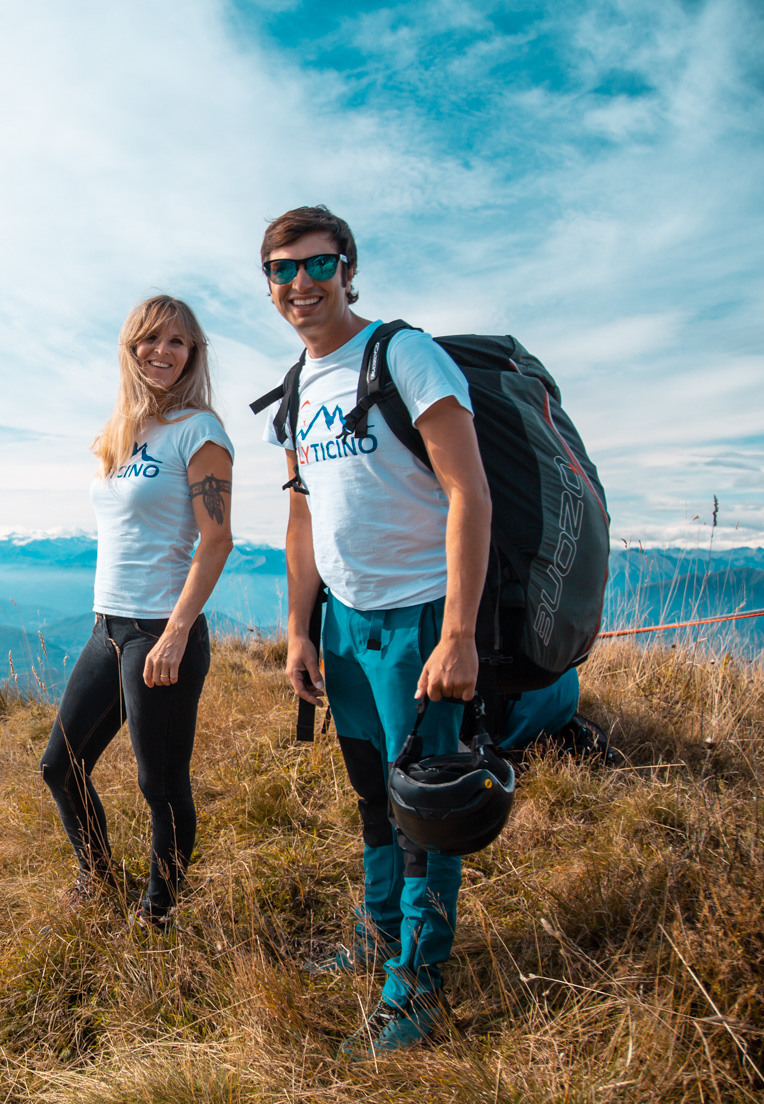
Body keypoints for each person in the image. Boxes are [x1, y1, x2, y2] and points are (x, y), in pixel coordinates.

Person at [260, 206, 489, 1055]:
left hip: (421, 616)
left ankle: (416, 992)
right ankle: (377, 929)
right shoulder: (295, 390)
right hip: (346, 624)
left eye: (316, 265)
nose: (299, 284)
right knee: (371, 795)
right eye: (281, 271)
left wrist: (458, 633)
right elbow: (302, 521)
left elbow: (469, 492)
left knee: (425, 806)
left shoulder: (404, 356)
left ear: (348, 268)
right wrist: (299, 630)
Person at [40, 294, 234, 931]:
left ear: (193, 353)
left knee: (160, 784)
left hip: (161, 631)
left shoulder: (199, 432)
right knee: (59, 767)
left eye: (178, 342)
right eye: (150, 340)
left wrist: (176, 633)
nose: (163, 352)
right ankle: (97, 877)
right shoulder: (122, 432)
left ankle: (158, 914)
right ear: (130, 349)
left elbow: (217, 540)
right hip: (108, 628)